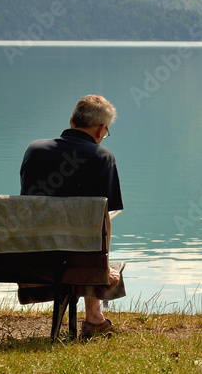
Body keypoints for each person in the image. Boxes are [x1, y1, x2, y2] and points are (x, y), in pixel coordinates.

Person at [20, 94, 124, 339]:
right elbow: (103, 221)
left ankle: (95, 318)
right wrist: (103, 265)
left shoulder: (35, 149)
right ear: (100, 130)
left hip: (35, 252)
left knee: (84, 234)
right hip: (80, 255)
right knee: (92, 234)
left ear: (71, 121)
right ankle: (94, 319)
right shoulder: (102, 157)